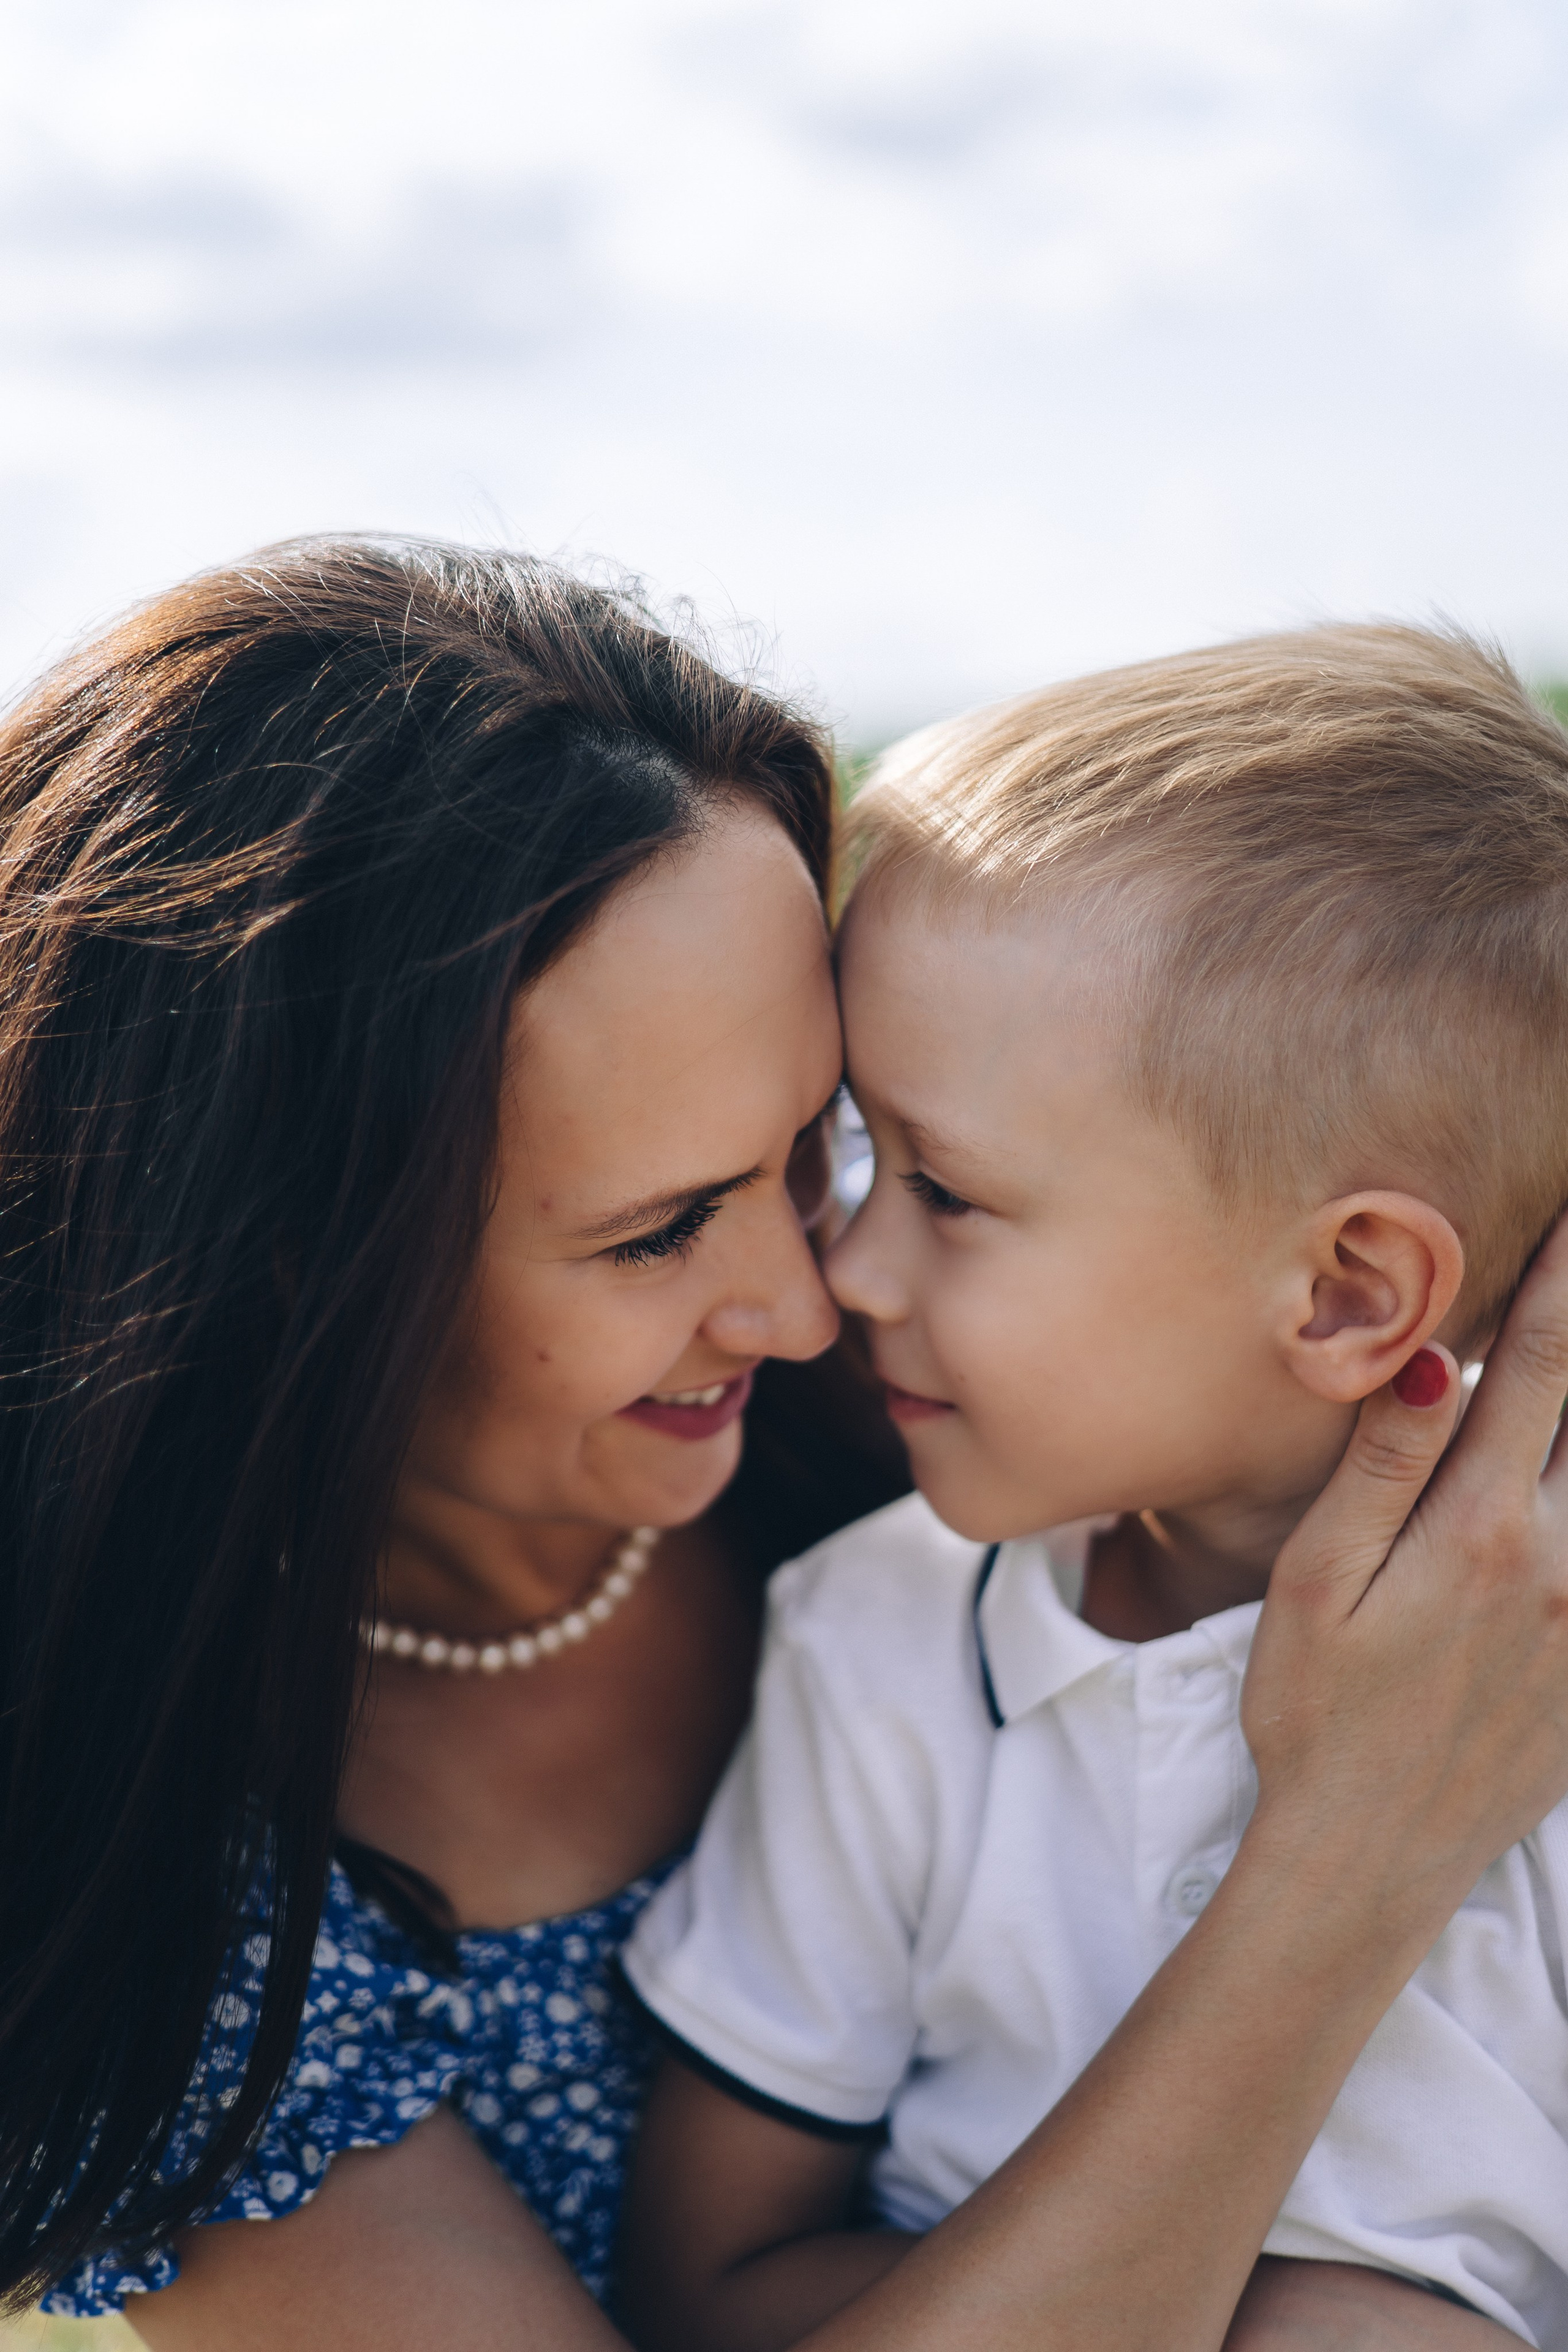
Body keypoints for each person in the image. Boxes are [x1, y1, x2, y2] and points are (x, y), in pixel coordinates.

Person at [1, 556, 1567, 2352]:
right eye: (660, 1227)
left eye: (821, 1141)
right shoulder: (128, 1866)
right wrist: (1349, 1861)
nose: (817, 1304)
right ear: (289, 1272)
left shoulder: (1042, 1436)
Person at [620, 624, 1568, 2350]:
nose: (850, 1273)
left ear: (1348, 1294)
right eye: (864, 1154)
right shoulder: (877, 1646)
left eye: (947, 1192)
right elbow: (708, 2293)